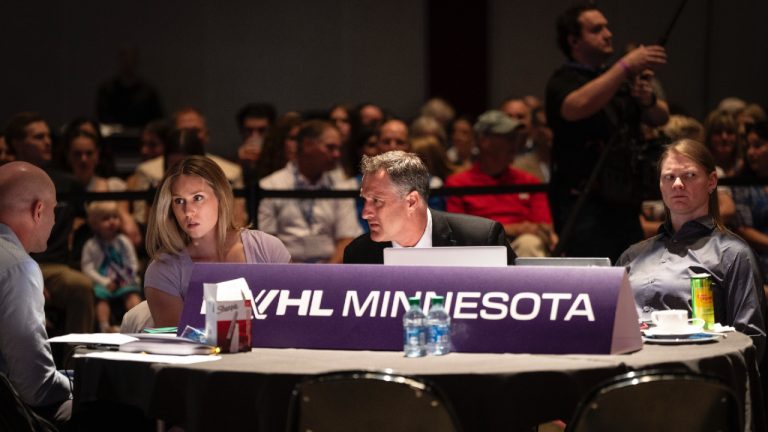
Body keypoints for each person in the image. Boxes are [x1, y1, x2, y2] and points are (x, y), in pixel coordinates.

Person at [617, 139, 765, 355]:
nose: (677, 184)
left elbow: (751, 341)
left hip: (695, 377)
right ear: (660, 185)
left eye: (689, 175)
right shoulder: (632, 255)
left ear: (712, 181)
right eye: (669, 177)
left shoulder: (733, 253)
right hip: (629, 375)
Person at [545, 4, 669, 263]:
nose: (608, 34)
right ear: (574, 40)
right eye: (597, 29)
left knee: (631, 272)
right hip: (584, 204)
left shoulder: (617, 80)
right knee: (592, 276)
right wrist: (625, 66)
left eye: (607, 27)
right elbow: (574, 106)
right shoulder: (564, 79)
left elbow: (661, 117)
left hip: (624, 200)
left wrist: (647, 98)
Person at [144, 156, 290, 327]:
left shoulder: (268, 248)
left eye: (197, 198)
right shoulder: (163, 270)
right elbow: (178, 344)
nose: (188, 212)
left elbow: (291, 324)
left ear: (221, 197)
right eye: (179, 201)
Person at [5, 112, 95, 334]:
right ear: (17, 142)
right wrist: (29, 279)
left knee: (80, 285)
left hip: (55, 266)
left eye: (48, 136)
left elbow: (87, 222)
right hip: (11, 261)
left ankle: (75, 361)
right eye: (38, 137)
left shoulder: (66, 182)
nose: (47, 141)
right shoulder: (5, 180)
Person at [343, 151, 515, 265]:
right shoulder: (358, 254)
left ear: (411, 202)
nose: (365, 213)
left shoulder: (481, 239)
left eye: (377, 201)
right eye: (364, 200)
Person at [0, 161, 72, 425]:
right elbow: (36, 387)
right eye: (54, 210)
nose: (54, 220)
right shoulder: (18, 267)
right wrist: (80, 381)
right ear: (39, 210)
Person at [446, 110, 556, 257]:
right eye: (507, 137)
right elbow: (457, 233)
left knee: (529, 243)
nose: (514, 142)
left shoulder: (529, 182)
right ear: (484, 141)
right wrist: (511, 229)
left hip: (522, 247)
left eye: (514, 137)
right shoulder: (458, 184)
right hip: (478, 252)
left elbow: (544, 227)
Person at [259, 120, 362, 263]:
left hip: (332, 272)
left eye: (339, 148)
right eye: (330, 148)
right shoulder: (270, 186)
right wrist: (297, 274)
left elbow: (346, 239)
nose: (337, 154)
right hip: (283, 272)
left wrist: (325, 276)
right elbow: (266, 243)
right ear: (307, 145)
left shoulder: (341, 187)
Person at [81, 201, 142, 332]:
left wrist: (128, 276)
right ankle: (105, 327)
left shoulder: (123, 241)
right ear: (95, 224)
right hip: (103, 281)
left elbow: (132, 262)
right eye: (106, 219)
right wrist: (105, 282)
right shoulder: (91, 245)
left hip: (124, 278)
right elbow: (87, 268)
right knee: (101, 298)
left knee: (131, 294)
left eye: (114, 217)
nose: (112, 221)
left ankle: (137, 325)